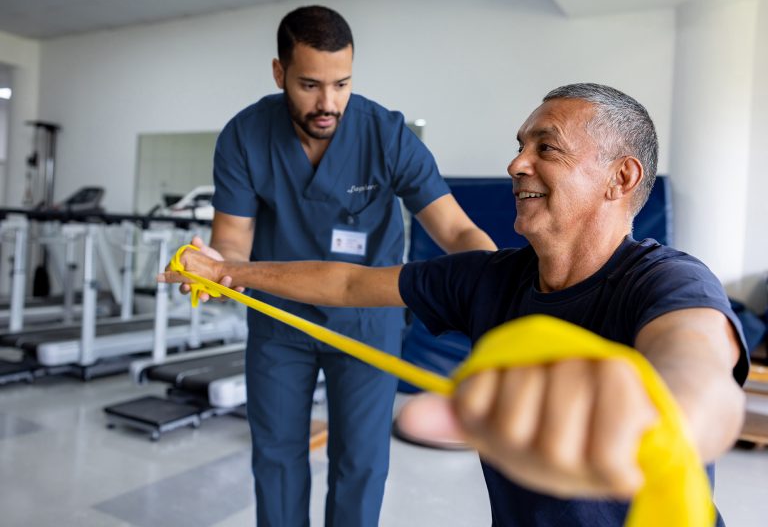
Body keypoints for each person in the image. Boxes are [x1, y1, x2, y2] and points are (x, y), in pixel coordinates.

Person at [162, 83, 749, 526]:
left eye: (548, 147)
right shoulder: (487, 280)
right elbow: (346, 285)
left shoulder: (667, 280)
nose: (517, 163)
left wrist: (651, 412)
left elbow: (698, 374)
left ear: (620, 177)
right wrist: (228, 270)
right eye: (520, 145)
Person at [193, 5, 496, 527]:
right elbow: (232, 241)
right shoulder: (245, 136)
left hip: (367, 320)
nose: (328, 103)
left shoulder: (387, 135)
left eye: (342, 84)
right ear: (278, 72)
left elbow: (454, 229)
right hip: (279, 321)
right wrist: (216, 269)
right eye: (309, 84)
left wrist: (500, 282)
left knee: (360, 464)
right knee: (276, 457)